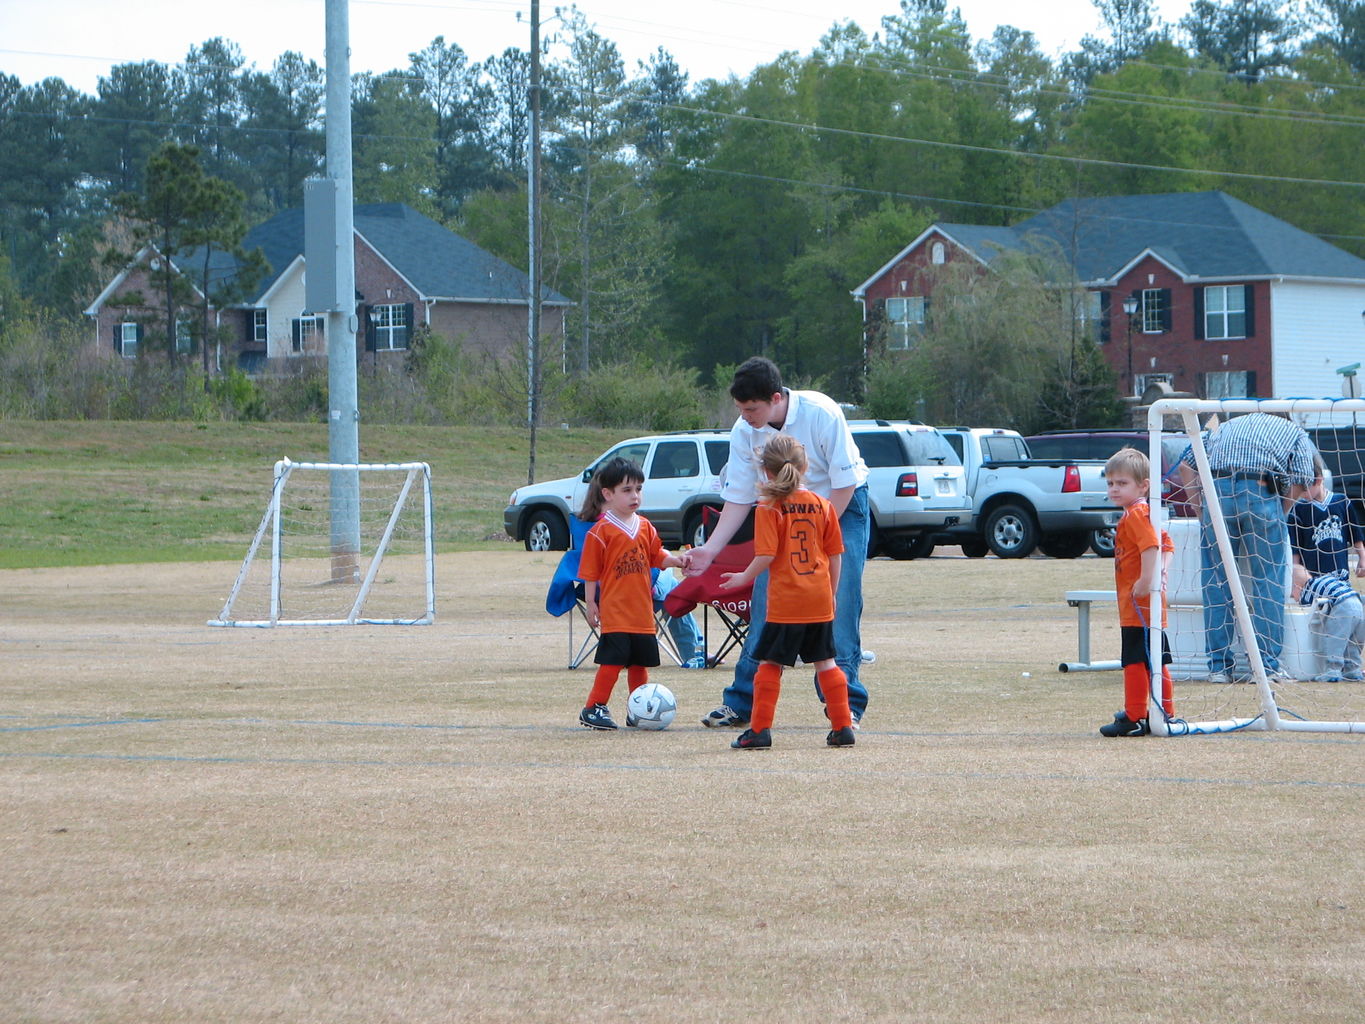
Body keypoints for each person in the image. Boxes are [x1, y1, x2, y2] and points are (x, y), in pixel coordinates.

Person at [686, 356, 870, 729]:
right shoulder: (744, 430)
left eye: (751, 408)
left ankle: (845, 705)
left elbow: (844, 482)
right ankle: (742, 702)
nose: (745, 416)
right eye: (740, 408)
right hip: (782, 512)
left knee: (840, 600)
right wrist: (711, 549)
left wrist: (817, 534)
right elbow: (738, 496)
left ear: (775, 398)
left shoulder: (822, 412)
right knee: (767, 602)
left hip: (840, 505)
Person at [717, 435, 855, 749]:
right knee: (826, 662)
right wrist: (831, 593)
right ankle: (843, 725)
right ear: (805, 467)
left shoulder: (769, 507)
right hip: (818, 598)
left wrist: (742, 577)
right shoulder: (823, 505)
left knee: (769, 664)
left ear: (765, 471)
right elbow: (835, 555)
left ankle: (759, 730)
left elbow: (765, 555)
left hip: (787, 602)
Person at [1178, 412, 1317, 684]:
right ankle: (1266, 667)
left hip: (1217, 492)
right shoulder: (1294, 431)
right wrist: (1282, 511)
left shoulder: (1224, 428)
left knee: (1217, 580)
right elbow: (1303, 476)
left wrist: (1200, 509)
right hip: (1261, 491)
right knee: (1268, 580)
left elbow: (1186, 464)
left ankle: (1218, 667)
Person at [576, 457, 687, 730]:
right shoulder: (600, 532)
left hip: (642, 611)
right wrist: (591, 604)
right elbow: (590, 572)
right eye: (627, 490)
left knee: (640, 662)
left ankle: (639, 709)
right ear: (608, 494)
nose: (634, 495)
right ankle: (593, 707)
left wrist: (675, 560)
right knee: (612, 662)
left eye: (638, 488)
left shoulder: (645, 526)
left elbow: (655, 555)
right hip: (615, 610)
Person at [1099, 448, 1175, 737]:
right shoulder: (1142, 513)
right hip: (1142, 605)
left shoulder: (1136, 515)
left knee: (1134, 661)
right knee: (1154, 660)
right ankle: (1161, 712)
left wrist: (1147, 578)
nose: (1114, 489)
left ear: (1143, 485)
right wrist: (1163, 571)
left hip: (1139, 607)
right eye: (1110, 483)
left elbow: (1152, 547)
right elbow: (1167, 546)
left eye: (1122, 483)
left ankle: (1134, 717)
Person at [1288, 463, 1365, 682]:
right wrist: (1295, 575)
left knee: (1345, 625)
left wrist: (1362, 557)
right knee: (1326, 624)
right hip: (1314, 579)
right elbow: (1296, 550)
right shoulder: (1298, 511)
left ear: (1319, 481)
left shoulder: (1342, 502)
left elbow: (1355, 534)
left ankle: (1345, 668)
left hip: (1340, 578)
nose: (1303, 494)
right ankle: (1330, 666)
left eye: (1305, 489)